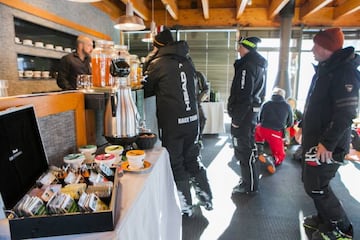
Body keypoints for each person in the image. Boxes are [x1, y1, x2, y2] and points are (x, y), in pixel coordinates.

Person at [142, 28, 213, 216]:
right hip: (193, 120)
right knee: (192, 158)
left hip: (172, 123)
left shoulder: (157, 63)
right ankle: (206, 197)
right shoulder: (187, 60)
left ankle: (185, 206)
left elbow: (145, 89)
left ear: (157, 46)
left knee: (176, 163)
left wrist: (148, 61)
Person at [300, 27, 359, 240]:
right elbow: (316, 105)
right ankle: (324, 219)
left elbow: (346, 113)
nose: (312, 49)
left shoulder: (345, 72)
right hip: (315, 140)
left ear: (327, 48)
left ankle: (342, 229)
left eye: (316, 45)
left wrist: (327, 143)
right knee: (311, 183)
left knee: (318, 186)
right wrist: (301, 125)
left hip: (328, 144)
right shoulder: (325, 69)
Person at [227, 36, 267, 194]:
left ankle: (249, 186)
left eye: (240, 46)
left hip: (244, 115)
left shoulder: (246, 66)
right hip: (251, 114)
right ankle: (249, 180)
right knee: (248, 148)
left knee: (243, 149)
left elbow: (244, 95)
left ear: (246, 48)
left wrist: (237, 119)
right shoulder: (259, 65)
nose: (238, 49)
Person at [255, 87, 293, 173]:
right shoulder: (287, 106)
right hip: (275, 133)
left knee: (257, 130)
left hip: (261, 130)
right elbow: (290, 123)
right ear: (283, 96)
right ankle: (271, 159)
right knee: (280, 155)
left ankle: (259, 151)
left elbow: (259, 119)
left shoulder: (265, 103)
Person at [195, 71, 210, 147]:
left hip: (195, 103)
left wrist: (198, 99)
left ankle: (199, 138)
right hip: (181, 103)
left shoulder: (198, 75)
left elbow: (206, 89)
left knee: (202, 119)